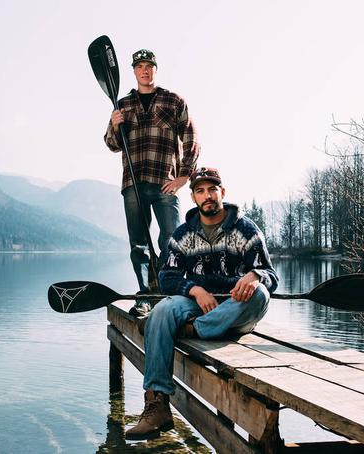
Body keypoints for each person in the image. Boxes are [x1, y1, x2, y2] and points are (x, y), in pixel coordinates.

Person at [125, 167, 279, 440]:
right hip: (197, 305)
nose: (207, 196)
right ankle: (157, 404)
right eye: (200, 191)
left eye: (212, 189)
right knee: (162, 310)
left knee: (261, 295)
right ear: (194, 197)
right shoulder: (183, 234)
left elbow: (270, 275)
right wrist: (194, 289)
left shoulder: (246, 229)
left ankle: (196, 329)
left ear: (223, 192)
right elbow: (167, 277)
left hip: (235, 307)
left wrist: (254, 276)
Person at [104, 48, 200, 316]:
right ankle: (145, 296)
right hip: (132, 184)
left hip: (165, 182)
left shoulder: (174, 101)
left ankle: (169, 292)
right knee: (138, 244)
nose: (145, 71)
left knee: (172, 240)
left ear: (156, 70)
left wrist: (185, 175)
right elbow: (111, 145)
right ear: (134, 71)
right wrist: (114, 125)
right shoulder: (122, 105)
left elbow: (191, 135)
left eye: (149, 66)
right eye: (139, 67)